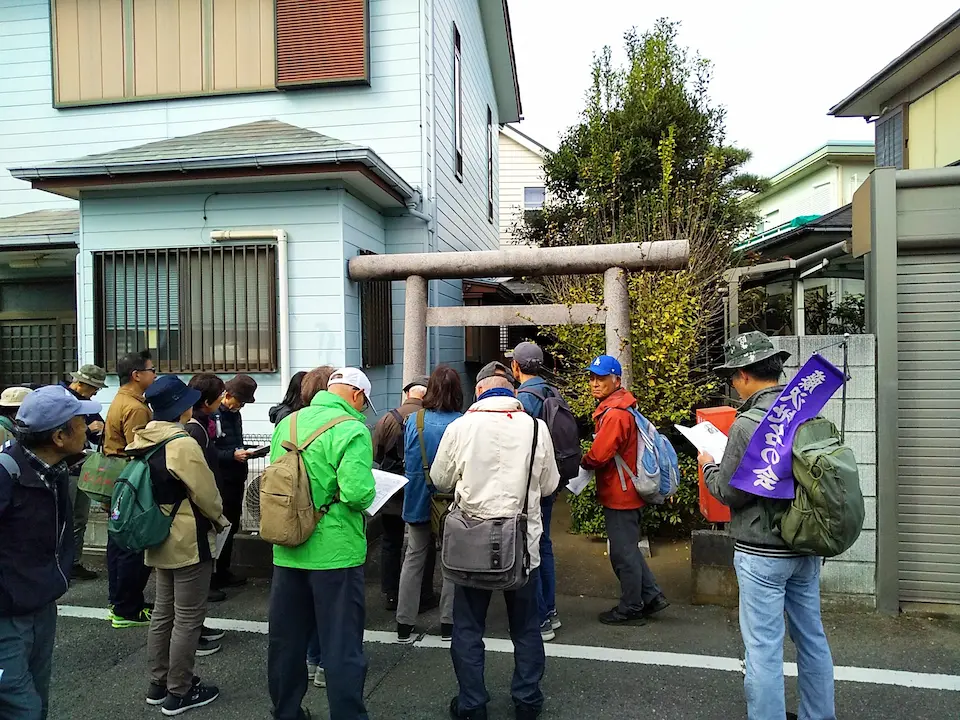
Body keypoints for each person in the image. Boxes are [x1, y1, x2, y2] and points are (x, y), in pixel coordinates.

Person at [701, 332, 835, 720]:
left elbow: (729, 493)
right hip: (806, 544)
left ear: (743, 375)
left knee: (762, 647)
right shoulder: (808, 413)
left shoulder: (747, 425)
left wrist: (709, 462)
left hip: (761, 552)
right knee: (812, 639)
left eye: (732, 377)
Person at [431, 369, 560, 720]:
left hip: (471, 545)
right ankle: (528, 700)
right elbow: (549, 485)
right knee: (525, 628)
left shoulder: (460, 428)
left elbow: (439, 478)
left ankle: (472, 704)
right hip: (522, 546)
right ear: (512, 392)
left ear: (478, 391)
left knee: (469, 628)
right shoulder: (535, 428)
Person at [267, 367, 377, 720]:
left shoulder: (290, 423)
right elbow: (358, 493)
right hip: (335, 553)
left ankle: (286, 713)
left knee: (286, 643)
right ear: (357, 396)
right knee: (341, 645)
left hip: (287, 547)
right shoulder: (352, 429)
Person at [0, 385, 100, 719]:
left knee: (38, 699)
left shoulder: (54, 470)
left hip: (40, 601)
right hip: (6, 613)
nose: (87, 427)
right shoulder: (5, 473)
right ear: (59, 436)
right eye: (80, 421)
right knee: (21, 707)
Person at [135, 376, 230, 716]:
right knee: (188, 618)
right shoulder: (182, 442)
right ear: (181, 406)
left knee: (164, 611)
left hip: (158, 531)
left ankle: (158, 683)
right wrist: (220, 519)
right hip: (188, 535)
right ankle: (180, 690)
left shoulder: (143, 437)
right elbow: (207, 496)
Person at [580, 355, 668, 625]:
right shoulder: (621, 408)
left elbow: (599, 454)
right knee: (628, 549)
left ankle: (631, 607)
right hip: (627, 489)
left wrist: (582, 462)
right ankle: (651, 596)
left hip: (621, 492)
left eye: (601, 378)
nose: (595, 383)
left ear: (616, 380)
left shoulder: (616, 414)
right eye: (593, 378)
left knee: (622, 554)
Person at [395, 366, 463, 644]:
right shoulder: (462, 422)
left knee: (413, 557)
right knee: (452, 561)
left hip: (417, 497)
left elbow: (405, 456)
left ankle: (404, 623)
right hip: (449, 501)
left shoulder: (414, 420)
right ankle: (448, 623)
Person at [371, 375, 439, 613]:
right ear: (427, 395)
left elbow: (377, 454)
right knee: (424, 541)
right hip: (421, 487)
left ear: (408, 393)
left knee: (391, 541)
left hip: (392, 487)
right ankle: (424, 593)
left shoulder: (388, 418)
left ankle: (391, 594)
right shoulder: (431, 419)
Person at [510, 342, 562, 641]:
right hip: (551, 477)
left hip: (531, 484)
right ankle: (551, 611)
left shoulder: (524, 399)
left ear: (516, 367)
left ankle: (540, 617)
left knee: (530, 548)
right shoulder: (553, 391)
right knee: (544, 545)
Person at [104, 350, 157, 628]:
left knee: (117, 540)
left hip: (115, 478)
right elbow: (139, 449)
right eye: (151, 369)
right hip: (129, 480)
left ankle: (118, 602)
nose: (154, 374)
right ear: (137, 375)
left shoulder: (121, 398)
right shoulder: (136, 408)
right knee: (131, 544)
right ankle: (128, 608)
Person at [297, 365, 335, 691]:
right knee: (330, 604)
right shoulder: (343, 427)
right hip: (329, 529)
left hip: (293, 526)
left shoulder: (289, 424)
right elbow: (355, 490)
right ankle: (325, 664)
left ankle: (311, 660)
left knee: (306, 603)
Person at [61, 364, 108, 582]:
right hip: (65, 467)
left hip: (83, 465)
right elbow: (58, 434)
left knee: (79, 517)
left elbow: (100, 431)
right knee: (66, 518)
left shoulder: (87, 405)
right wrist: (90, 430)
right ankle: (61, 565)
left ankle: (74, 563)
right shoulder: (61, 401)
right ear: (81, 384)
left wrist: (100, 431)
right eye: (94, 388)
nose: (96, 393)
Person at [186, 374, 229, 604]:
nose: (222, 400)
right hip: (198, 508)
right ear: (206, 401)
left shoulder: (203, 423)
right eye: (220, 395)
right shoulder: (195, 429)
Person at [212, 374, 258, 591]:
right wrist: (232, 455)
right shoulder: (213, 415)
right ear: (227, 395)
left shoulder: (233, 414)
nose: (240, 407)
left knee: (232, 525)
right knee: (219, 526)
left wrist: (248, 452)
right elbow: (208, 450)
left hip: (236, 476)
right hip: (221, 478)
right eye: (239, 402)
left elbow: (234, 443)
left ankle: (223, 570)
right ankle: (213, 575)